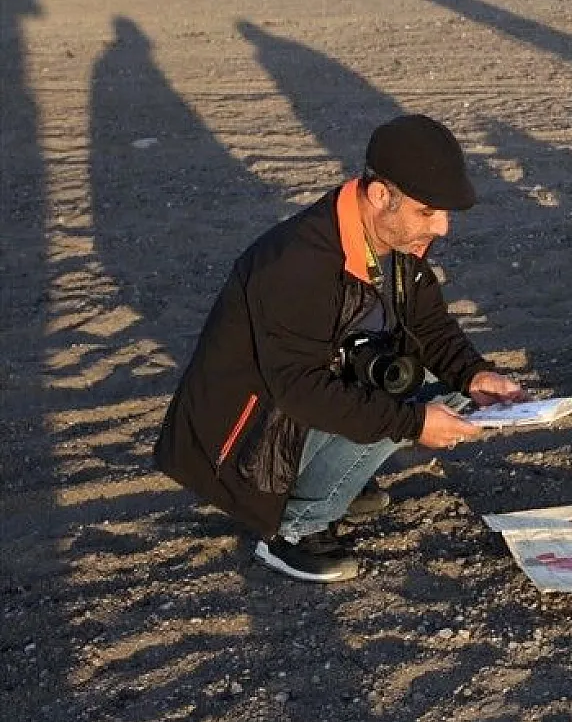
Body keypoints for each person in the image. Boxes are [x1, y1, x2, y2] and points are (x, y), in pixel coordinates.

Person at [154, 114, 528, 582]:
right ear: (379, 196)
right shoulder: (298, 263)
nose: (443, 228)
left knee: (451, 391)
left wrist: (474, 374)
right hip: (245, 442)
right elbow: (299, 390)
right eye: (428, 212)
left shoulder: (392, 241)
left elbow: (428, 323)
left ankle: (332, 479)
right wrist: (411, 424)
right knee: (408, 405)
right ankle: (294, 527)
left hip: (309, 396)